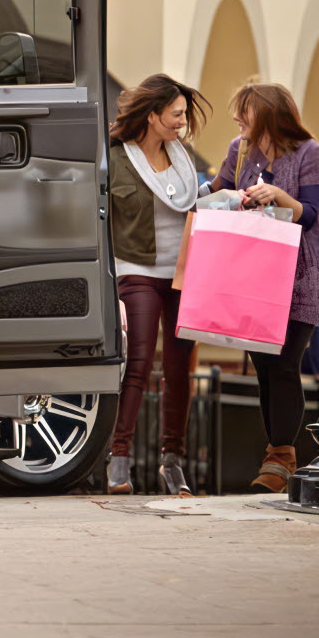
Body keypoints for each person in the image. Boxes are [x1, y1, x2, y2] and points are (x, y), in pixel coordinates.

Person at [205, 81, 319, 493]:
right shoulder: (238, 150)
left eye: (245, 111)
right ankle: (277, 459)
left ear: (269, 114)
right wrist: (224, 197)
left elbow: (309, 216)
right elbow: (217, 191)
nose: (237, 118)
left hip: (299, 280)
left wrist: (278, 195)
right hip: (252, 278)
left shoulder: (309, 153)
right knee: (263, 370)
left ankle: (280, 459)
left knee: (283, 365)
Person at [105, 74, 209, 497]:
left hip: (185, 272)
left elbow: (195, 205)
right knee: (141, 360)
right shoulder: (114, 159)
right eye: (176, 114)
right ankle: (119, 457)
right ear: (152, 116)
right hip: (137, 269)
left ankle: (173, 462)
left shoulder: (183, 160)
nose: (183, 122)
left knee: (180, 369)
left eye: (184, 114)